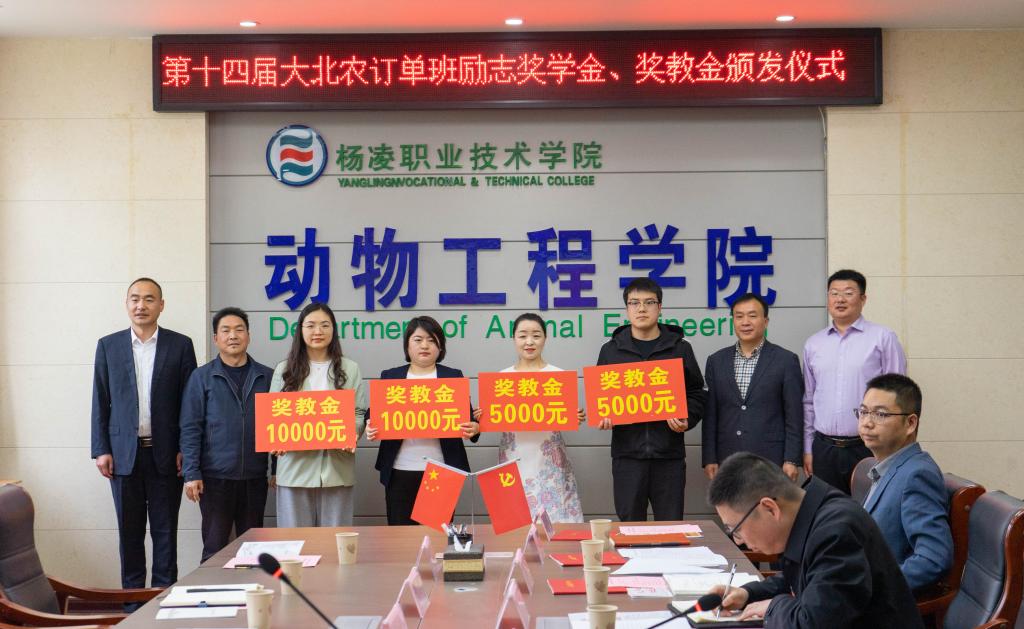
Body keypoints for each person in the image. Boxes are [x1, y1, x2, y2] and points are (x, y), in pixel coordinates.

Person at [707, 452, 924, 628]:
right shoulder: (809, 511)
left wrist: (773, 607)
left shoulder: (836, 532)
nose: (739, 541)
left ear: (770, 508)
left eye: (736, 529)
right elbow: (803, 577)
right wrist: (749, 594)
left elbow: (813, 623)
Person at [90, 277, 197, 596]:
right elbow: (100, 399)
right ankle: (132, 606)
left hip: (167, 455)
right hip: (123, 456)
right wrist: (101, 448)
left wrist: (186, 449)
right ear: (126, 304)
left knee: (166, 535)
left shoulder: (180, 345)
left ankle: (163, 603)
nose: (141, 305)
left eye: (149, 299)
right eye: (135, 299)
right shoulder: (108, 346)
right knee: (130, 535)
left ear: (161, 305)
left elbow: (189, 403)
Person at [596, 277, 707, 521]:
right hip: (627, 456)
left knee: (670, 528)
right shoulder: (611, 350)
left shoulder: (680, 348)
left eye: (649, 302)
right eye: (634, 303)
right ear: (626, 309)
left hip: (668, 456)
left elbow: (697, 393)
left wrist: (687, 418)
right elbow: (601, 399)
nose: (641, 308)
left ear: (660, 307)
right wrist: (604, 416)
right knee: (630, 529)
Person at [180, 307, 274, 562]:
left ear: (248, 336)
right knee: (214, 548)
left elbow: (278, 425)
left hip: (254, 476)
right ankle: (211, 588)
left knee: (253, 550)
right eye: (226, 330)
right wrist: (191, 472)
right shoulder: (202, 377)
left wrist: (276, 469)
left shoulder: (267, 376)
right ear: (216, 338)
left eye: (239, 329)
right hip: (214, 478)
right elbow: (190, 427)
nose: (233, 335)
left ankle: (252, 588)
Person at [367, 315, 480, 525]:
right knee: (402, 536)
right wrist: (370, 426)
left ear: (440, 346)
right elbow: (373, 414)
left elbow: (468, 417)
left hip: (442, 469)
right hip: (400, 468)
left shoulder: (452, 376)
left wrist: (474, 427)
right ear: (407, 345)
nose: (425, 345)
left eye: (431, 340)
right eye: (418, 340)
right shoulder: (391, 376)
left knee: (437, 535)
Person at [802, 269, 906, 493]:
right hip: (824, 449)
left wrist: (892, 449)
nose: (840, 299)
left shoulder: (883, 338)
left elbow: (899, 398)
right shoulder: (814, 344)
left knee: (869, 509)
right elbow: (809, 401)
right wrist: (808, 448)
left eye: (848, 293)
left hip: (870, 447)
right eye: (834, 293)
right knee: (827, 509)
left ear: (863, 299)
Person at [269, 302, 368, 527]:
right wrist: (276, 440)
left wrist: (352, 432)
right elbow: (274, 414)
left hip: (337, 470)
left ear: (333, 329)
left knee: (334, 542)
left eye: (325, 325)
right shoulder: (284, 369)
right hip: (294, 470)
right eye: (311, 325)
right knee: (296, 541)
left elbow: (358, 412)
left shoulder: (350, 368)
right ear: (300, 330)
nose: (318, 331)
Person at [858, 373, 952, 592]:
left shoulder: (917, 475)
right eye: (863, 412)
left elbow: (933, 559)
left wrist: (868, 588)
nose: (867, 423)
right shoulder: (887, 467)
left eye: (880, 414)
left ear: (910, 423)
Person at [489, 313, 584, 522]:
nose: (529, 342)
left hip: (549, 459)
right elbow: (493, 418)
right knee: (514, 520)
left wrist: (574, 416)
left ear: (545, 338)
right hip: (514, 456)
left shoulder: (558, 375)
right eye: (523, 336)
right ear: (514, 338)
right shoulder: (501, 378)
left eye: (536, 335)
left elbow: (566, 416)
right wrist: (484, 417)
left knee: (556, 519)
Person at [703, 293, 804, 481]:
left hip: (771, 459)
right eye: (739, 316)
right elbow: (711, 415)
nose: (745, 322)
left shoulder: (786, 360)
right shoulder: (716, 361)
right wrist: (709, 458)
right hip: (728, 458)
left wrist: (791, 459)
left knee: (769, 501)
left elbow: (794, 415)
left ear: (765, 321)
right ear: (733, 321)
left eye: (752, 315)